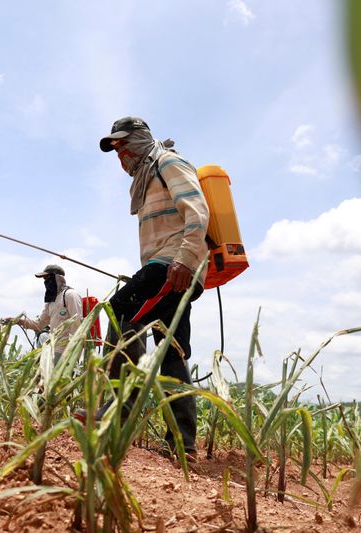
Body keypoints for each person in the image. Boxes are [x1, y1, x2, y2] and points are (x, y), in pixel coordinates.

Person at [95, 116, 209, 462]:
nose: (121, 156)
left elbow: (198, 211)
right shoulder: (147, 179)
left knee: (118, 315)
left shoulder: (168, 163)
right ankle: (182, 444)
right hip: (169, 267)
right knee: (172, 350)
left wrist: (185, 259)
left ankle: (114, 416)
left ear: (141, 140)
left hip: (172, 264)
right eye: (116, 150)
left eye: (123, 145)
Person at [13, 264, 82, 361]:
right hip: (54, 348)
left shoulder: (70, 295)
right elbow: (39, 324)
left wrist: (73, 351)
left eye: (47, 277)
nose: (46, 282)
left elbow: (77, 324)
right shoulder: (51, 301)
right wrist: (17, 321)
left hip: (65, 350)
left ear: (58, 278)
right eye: (44, 279)